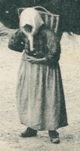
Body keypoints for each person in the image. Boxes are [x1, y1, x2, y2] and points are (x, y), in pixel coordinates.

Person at [8, 8, 67, 144]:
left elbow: (54, 55)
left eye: (30, 25)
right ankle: (32, 127)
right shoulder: (24, 31)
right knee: (30, 98)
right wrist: (25, 48)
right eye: (25, 25)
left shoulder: (48, 33)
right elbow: (12, 44)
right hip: (29, 68)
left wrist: (39, 60)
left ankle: (52, 130)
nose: (27, 27)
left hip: (46, 70)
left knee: (48, 98)